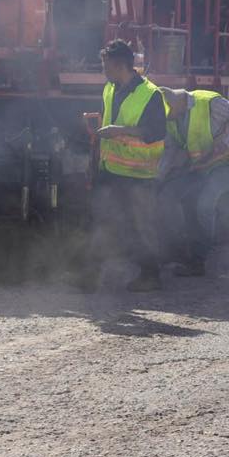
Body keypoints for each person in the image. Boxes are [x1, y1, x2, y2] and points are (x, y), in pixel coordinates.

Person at [85, 39, 167, 292]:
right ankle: (90, 275)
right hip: (110, 169)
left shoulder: (151, 94)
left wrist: (119, 131)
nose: (103, 71)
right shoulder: (110, 88)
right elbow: (104, 126)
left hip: (138, 174)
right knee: (102, 220)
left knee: (140, 225)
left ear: (120, 65)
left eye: (105, 66)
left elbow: (156, 132)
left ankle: (151, 276)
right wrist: (94, 161)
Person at [158, 88, 229, 276]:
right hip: (200, 168)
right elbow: (171, 149)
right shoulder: (173, 119)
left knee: (204, 205)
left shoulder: (209, 102)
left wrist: (226, 143)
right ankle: (179, 250)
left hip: (226, 164)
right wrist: (159, 177)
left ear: (179, 103)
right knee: (169, 196)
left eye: (170, 112)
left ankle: (201, 257)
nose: (169, 117)